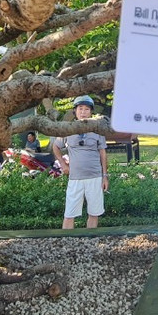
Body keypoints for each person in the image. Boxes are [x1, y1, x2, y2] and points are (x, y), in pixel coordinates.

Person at [52, 96, 108, 229]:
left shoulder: (98, 129)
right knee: (69, 213)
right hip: (75, 178)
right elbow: (56, 147)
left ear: (91, 112)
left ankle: (90, 241)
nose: (83, 112)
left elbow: (103, 153)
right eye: (80, 109)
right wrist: (63, 164)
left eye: (86, 109)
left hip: (94, 176)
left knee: (94, 213)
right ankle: (66, 242)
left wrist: (105, 176)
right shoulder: (68, 129)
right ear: (75, 111)